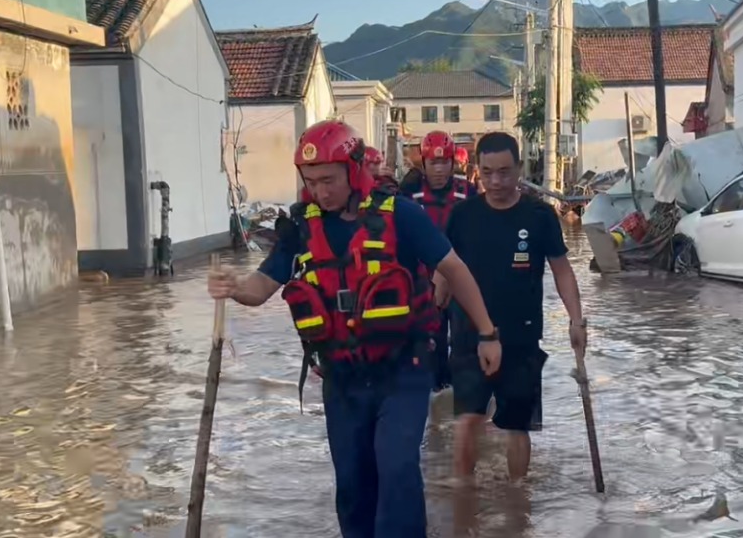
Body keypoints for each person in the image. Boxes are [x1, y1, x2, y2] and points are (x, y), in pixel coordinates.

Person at [207, 120, 503, 538]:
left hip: (404, 369)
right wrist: (233, 287)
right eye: (311, 182)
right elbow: (261, 289)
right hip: (341, 378)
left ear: (355, 167)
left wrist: (488, 333)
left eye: (329, 179)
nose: (321, 191)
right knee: (352, 484)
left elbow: (453, 269)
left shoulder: (400, 214)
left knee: (397, 468)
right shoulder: (300, 229)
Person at [434, 131, 587, 482]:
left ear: (520, 168)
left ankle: (518, 500)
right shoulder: (462, 215)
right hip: (469, 334)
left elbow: (562, 270)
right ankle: (464, 500)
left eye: (504, 171)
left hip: (522, 336)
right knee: (468, 420)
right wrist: (437, 289)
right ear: (477, 171)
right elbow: (446, 262)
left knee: (518, 425)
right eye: (487, 173)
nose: (496, 181)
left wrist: (576, 320)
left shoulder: (539, 216)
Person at [401, 130, 480, 392]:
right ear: (423, 163)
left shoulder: (466, 191)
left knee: (461, 340)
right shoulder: (409, 193)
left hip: (458, 277)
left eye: (444, 162)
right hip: (423, 283)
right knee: (430, 343)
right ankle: (435, 405)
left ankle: (459, 403)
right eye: (433, 163)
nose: (439, 169)